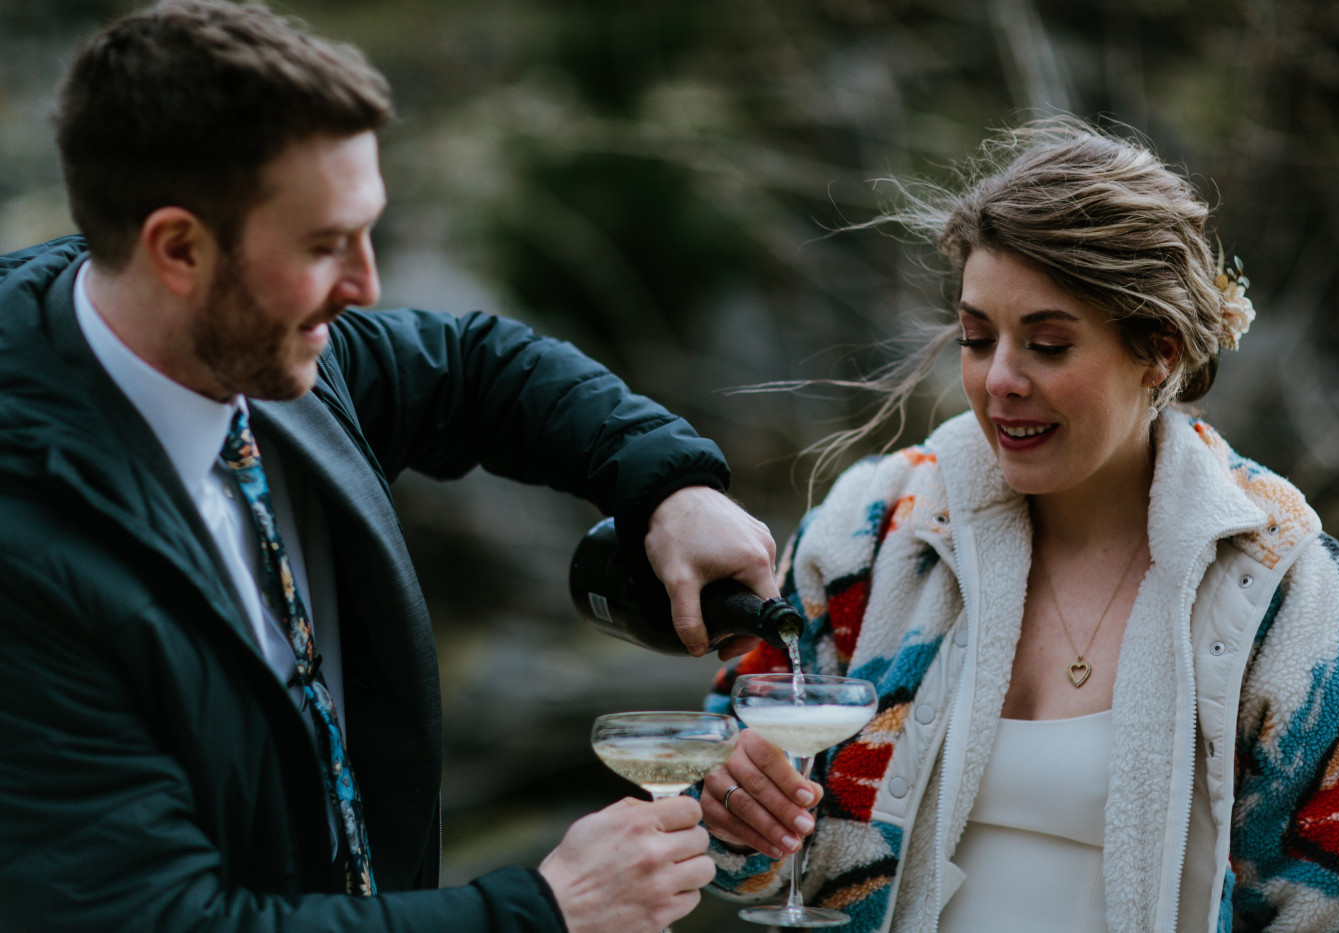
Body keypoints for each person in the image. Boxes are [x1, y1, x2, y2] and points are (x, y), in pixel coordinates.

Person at [0, 2, 779, 932]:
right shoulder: (25, 557)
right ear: (178, 249)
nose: (366, 285)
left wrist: (668, 481)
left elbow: (474, 367)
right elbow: (157, 920)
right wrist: (541, 909)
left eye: (368, 232)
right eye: (326, 246)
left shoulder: (259, 344)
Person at [695, 119, 1339, 931]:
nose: (999, 380)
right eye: (976, 337)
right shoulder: (873, 533)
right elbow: (725, 807)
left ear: (1158, 352)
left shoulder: (1280, 582)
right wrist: (736, 820)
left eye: (1049, 345)